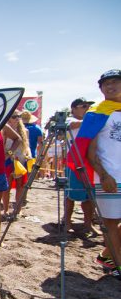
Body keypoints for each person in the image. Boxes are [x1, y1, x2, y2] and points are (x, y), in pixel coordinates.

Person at [70, 69, 121, 280]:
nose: (111, 86)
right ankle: (118, 265)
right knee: (111, 223)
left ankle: (106, 255)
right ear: (101, 89)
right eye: (106, 83)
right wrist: (103, 173)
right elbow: (88, 149)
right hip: (108, 175)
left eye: (115, 81)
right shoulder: (97, 113)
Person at [65, 98, 99, 236]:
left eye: (89, 106)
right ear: (73, 109)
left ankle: (88, 223)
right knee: (70, 194)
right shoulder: (69, 120)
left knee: (89, 195)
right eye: (84, 106)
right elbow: (71, 125)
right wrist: (95, 119)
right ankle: (67, 222)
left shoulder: (90, 122)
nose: (87, 108)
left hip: (90, 161)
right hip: (74, 161)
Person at [2, 111, 31, 216]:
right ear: (9, 118)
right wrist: (7, 155)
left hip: (21, 160)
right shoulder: (5, 129)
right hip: (9, 160)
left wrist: (29, 157)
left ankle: (18, 209)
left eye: (19, 116)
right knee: (6, 187)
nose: (18, 118)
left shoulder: (25, 131)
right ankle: (5, 209)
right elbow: (3, 145)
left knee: (20, 187)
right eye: (15, 116)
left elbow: (27, 146)